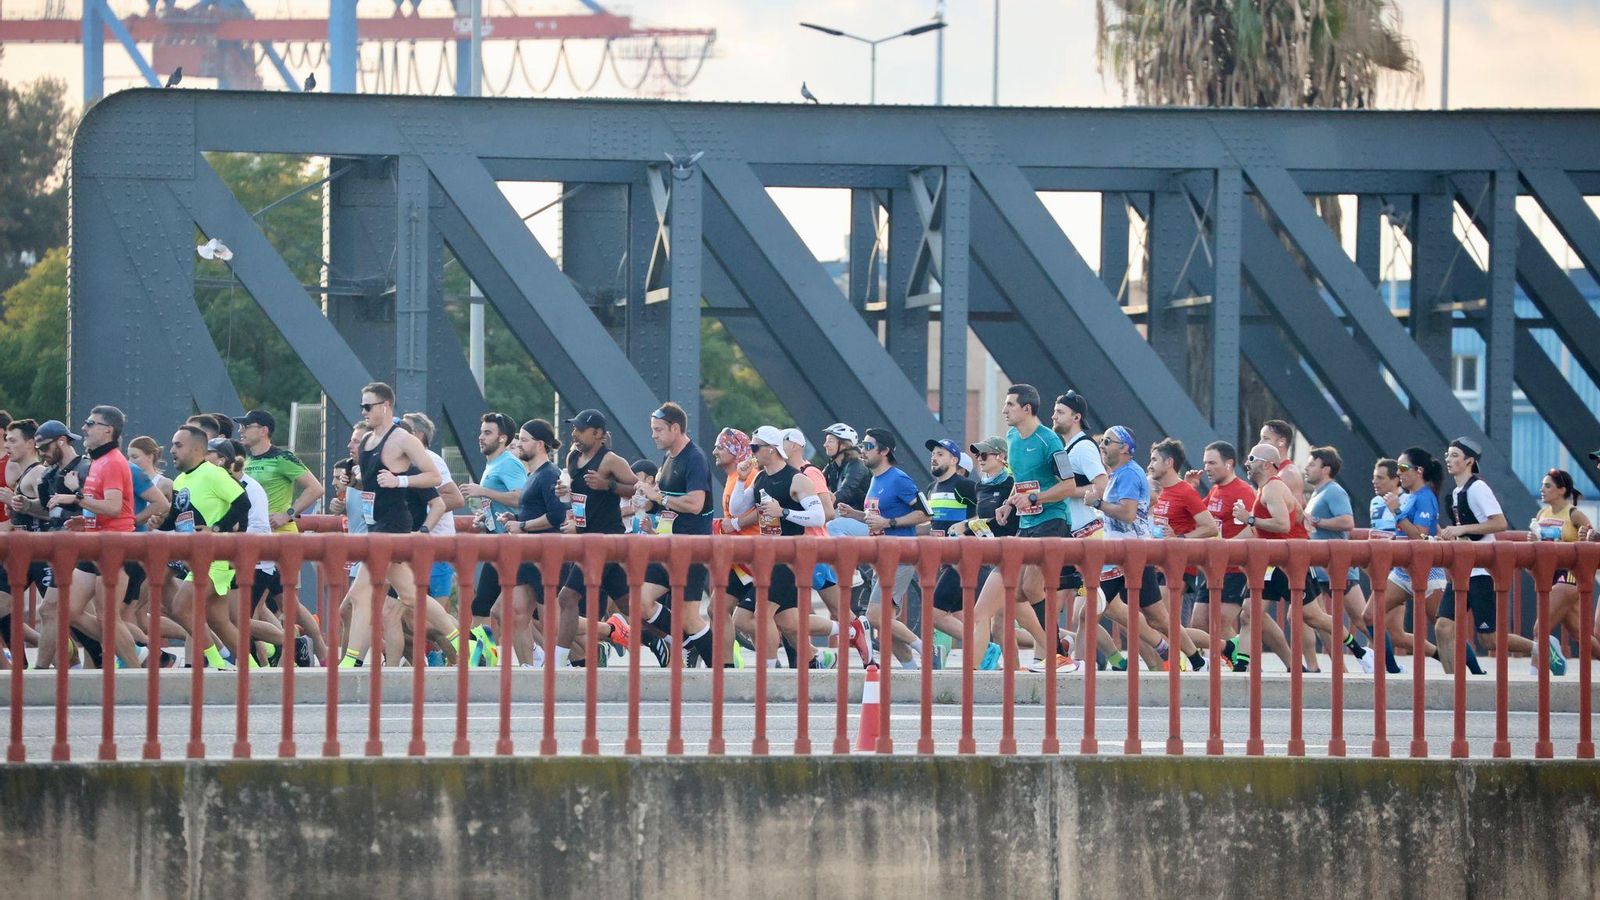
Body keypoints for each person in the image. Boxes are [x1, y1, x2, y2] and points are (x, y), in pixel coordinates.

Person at [340, 382, 444, 667]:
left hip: (393, 526)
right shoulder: (367, 440)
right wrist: (356, 483)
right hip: (376, 526)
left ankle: (351, 662)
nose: (363, 411)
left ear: (385, 406)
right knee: (410, 596)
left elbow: (434, 477)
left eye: (368, 406)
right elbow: (374, 485)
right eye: (362, 406)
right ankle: (465, 639)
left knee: (360, 598)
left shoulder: (402, 439)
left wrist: (401, 481)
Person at [727, 426, 830, 667]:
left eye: (755, 447)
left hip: (791, 559)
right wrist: (742, 481)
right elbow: (736, 510)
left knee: (752, 616)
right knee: (789, 623)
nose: (751, 453)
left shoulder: (797, 479)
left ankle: (770, 671)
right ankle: (827, 649)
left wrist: (783, 512)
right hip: (769, 558)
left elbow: (819, 516)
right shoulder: (761, 477)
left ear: (772, 450)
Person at [631, 402, 718, 667]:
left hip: (691, 548)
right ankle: (687, 643)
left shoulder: (694, 458)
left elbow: (695, 504)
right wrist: (646, 501)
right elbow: (662, 501)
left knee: (690, 618)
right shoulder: (668, 458)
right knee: (640, 602)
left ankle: (725, 672)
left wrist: (659, 496)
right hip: (666, 546)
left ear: (676, 428)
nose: (654, 435)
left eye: (658, 430)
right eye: (652, 429)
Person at [834, 427, 929, 667]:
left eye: (868, 447)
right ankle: (911, 672)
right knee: (887, 625)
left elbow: (925, 514)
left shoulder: (899, 479)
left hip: (901, 555)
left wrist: (891, 522)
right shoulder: (875, 479)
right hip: (881, 557)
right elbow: (875, 517)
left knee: (876, 617)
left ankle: (926, 650)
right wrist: (855, 514)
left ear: (884, 451)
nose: (862, 452)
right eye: (861, 447)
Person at [552, 409, 638, 666]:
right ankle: (670, 641)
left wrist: (608, 485)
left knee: (567, 598)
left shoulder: (611, 461)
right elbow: (576, 498)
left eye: (581, 429)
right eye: (574, 429)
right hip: (584, 538)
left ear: (599, 434)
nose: (575, 434)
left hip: (606, 541)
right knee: (629, 604)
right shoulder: (572, 457)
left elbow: (637, 489)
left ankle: (556, 664)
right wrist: (563, 492)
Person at [1435, 437, 1527, 674]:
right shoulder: (1456, 492)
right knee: (1443, 627)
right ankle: (1451, 683)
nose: (1449, 459)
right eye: (1448, 454)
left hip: (1481, 571)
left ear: (1469, 461)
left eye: (1455, 455)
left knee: (1489, 640)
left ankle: (1542, 650)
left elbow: (1499, 523)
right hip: (1461, 570)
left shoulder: (1478, 488)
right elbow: (1464, 531)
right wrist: (1451, 536)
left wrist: (1461, 529)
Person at [1365, 447, 1450, 674]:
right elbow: (1413, 533)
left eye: (1403, 468)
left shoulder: (1425, 497)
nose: (1400, 472)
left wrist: (1397, 512)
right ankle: (1391, 670)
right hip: (1403, 571)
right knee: (1369, 616)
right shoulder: (1412, 497)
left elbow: (1419, 537)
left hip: (1426, 572)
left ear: (1419, 470)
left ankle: (1472, 671)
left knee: (1443, 627)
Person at [500, 419, 577, 667]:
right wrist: (516, 518)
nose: (518, 444)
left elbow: (555, 516)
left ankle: (564, 666)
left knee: (550, 623)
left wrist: (521, 526)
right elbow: (535, 512)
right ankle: (527, 670)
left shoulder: (550, 475)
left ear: (540, 444)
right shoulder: (532, 475)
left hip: (548, 556)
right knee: (514, 613)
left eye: (524, 440)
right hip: (527, 553)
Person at [458, 412, 526, 663]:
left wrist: (482, 490)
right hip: (495, 544)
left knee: (520, 613)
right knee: (484, 607)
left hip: (511, 546)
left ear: (503, 438)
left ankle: (486, 656)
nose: (481, 437)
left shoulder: (509, 463)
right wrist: (483, 516)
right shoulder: (493, 464)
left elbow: (521, 497)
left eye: (488, 433)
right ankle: (483, 655)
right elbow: (497, 502)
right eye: (481, 432)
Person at [1303, 446, 1375, 673]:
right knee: (1317, 619)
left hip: (1338, 567)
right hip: (1320, 569)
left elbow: (1347, 522)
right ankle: (1340, 669)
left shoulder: (1334, 491)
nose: (1306, 468)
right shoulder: (1317, 492)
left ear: (1326, 469)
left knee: (1363, 620)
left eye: (1312, 464)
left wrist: (1316, 521)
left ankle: (1386, 660)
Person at [1145, 437, 1214, 671]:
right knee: (1157, 621)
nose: (1150, 464)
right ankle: (1223, 647)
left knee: (1161, 621)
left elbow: (1209, 527)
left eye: (1154, 459)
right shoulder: (1161, 491)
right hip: (1156, 564)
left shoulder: (1184, 491)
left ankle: (1178, 666)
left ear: (1169, 462)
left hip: (1178, 566)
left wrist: (1180, 539)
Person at [1527, 469, 1591, 676]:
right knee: (1582, 636)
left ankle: (1535, 674)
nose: (1542, 490)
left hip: (1569, 576)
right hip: (1549, 575)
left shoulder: (1574, 514)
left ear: (1562, 490)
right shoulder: (1541, 514)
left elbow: (1594, 541)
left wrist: (1586, 536)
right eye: (1542, 485)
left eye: (1548, 486)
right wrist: (1533, 542)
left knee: (1539, 629)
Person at [236, 409, 323, 531]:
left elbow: (316, 489)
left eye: (246, 426)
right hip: (255, 533)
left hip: (282, 536)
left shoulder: (282, 458)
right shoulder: (246, 460)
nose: (240, 430)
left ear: (263, 431)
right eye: (240, 426)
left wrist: (287, 515)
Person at [821, 423, 871, 537]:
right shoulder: (832, 466)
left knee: (832, 526)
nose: (825, 444)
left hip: (863, 519)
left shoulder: (858, 465)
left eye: (830, 441)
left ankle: (849, 555)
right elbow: (817, 484)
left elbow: (846, 491)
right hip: (845, 516)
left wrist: (825, 505)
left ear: (843, 445)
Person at [1260, 419, 1305, 507]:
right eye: (1261, 438)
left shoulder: (1288, 474)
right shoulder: (1277, 471)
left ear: (1281, 442)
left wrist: (1250, 519)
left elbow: (1295, 514)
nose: (1260, 443)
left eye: (1265, 439)